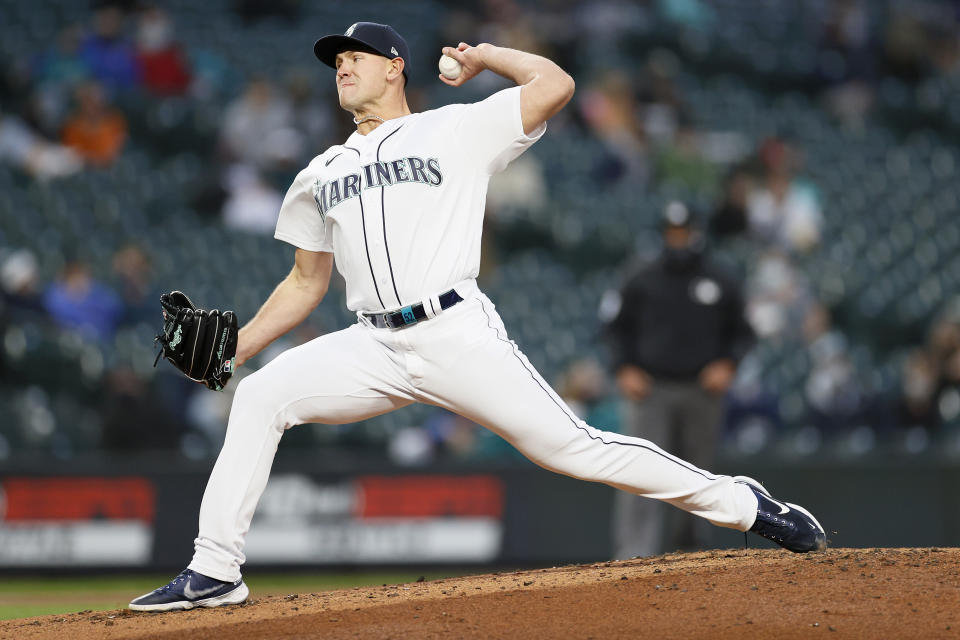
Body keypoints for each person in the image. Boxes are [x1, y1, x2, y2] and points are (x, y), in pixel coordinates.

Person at [129, 22, 826, 612]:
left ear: (396, 67)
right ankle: (216, 570)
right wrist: (237, 348)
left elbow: (555, 86)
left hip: (454, 331)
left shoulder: (453, 129)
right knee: (259, 396)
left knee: (575, 450)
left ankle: (744, 505)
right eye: (335, 62)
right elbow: (305, 282)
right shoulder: (318, 173)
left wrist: (485, 57)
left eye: (355, 56)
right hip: (370, 344)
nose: (341, 66)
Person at [605, 202, 756, 559]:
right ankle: (633, 554)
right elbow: (615, 329)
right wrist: (624, 366)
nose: (678, 240)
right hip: (651, 389)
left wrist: (728, 363)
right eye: (671, 234)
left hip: (702, 390)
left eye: (683, 233)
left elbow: (743, 332)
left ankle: (692, 553)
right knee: (639, 472)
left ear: (696, 234)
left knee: (698, 475)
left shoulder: (720, 278)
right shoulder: (640, 277)